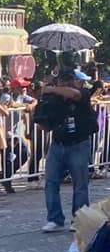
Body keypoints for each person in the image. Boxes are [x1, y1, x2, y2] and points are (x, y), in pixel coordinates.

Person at [40, 69, 97, 233]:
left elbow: (74, 95)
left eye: (69, 79)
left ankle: (79, 219)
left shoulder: (83, 93)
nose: (66, 83)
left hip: (79, 143)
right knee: (51, 182)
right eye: (62, 80)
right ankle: (54, 219)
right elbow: (46, 125)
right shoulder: (54, 100)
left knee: (80, 183)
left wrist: (51, 88)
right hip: (58, 143)